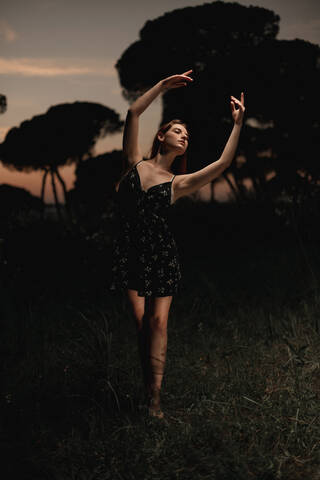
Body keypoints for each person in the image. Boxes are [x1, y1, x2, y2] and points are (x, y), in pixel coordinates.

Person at [109, 69, 245, 418]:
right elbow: (133, 112)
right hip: (130, 251)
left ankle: (154, 402)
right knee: (142, 327)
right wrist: (161, 86)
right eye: (177, 130)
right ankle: (147, 390)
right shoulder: (134, 164)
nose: (184, 136)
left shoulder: (177, 183)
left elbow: (223, 163)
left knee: (157, 325)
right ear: (162, 135)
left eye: (187, 134)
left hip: (161, 255)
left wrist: (237, 124)